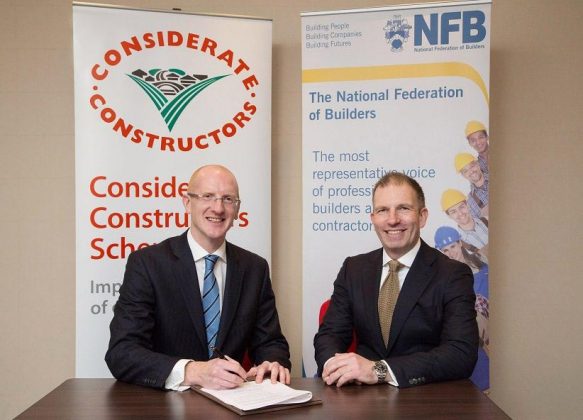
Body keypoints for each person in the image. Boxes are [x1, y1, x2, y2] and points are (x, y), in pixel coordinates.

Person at [105, 164, 291, 391]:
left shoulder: (255, 268)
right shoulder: (148, 264)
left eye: (228, 199)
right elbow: (122, 352)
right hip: (165, 402)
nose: (218, 208)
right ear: (187, 203)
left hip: (233, 401)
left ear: (237, 209)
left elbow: (270, 342)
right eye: (208, 196)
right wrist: (192, 371)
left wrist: (272, 363)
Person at [314, 173, 478, 388]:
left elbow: (460, 353)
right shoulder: (353, 269)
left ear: (422, 216)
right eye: (383, 210)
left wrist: (379, 370)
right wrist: (334, 366)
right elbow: (330, 335)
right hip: (360, 396)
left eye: (403, 208)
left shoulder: (453, 275)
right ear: (373, 218)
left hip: (425, 396)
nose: (392, 220)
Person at [434, 226, 489, 391]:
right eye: (445, 250)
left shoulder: (483, 268)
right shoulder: (440, 278)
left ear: (460, 243)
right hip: (460, 340)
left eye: (452, 246)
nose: (451, 253)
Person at [441, 188, 489, 261]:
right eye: (453, 212)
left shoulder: (488, 221)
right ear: (449, 216)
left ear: (467, 205)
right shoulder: (459, 245)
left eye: (461, 207)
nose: (460, 213)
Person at [454, 153, 489, 219]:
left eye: (472, 166)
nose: (471, 172)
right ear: (463, 175)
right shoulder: (471, 202)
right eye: (465, 171)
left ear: (478, 164)